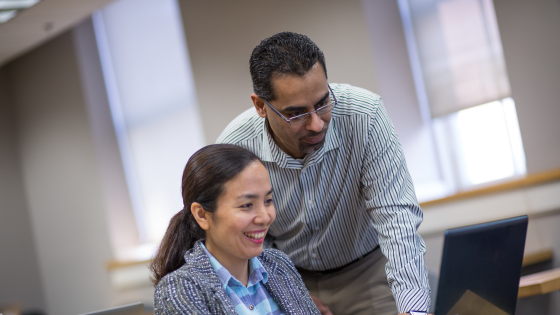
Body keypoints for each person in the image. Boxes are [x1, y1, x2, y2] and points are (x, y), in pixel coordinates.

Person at [217, 32, 431, 315]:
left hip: (367, 270)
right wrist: (289, 291)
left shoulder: (365, 116)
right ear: (260, 106)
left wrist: (414, 311)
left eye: (322, 103)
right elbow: (244, 238)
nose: (316, 124)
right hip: (287, 277)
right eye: (296, 114)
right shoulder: (236, 147)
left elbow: (397, 219)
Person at [150, 144, 320, 315]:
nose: (265, 217)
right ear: (202, 215)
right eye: (247, 205)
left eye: (268, 200)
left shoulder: (279, 264)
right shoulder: (180, 290)